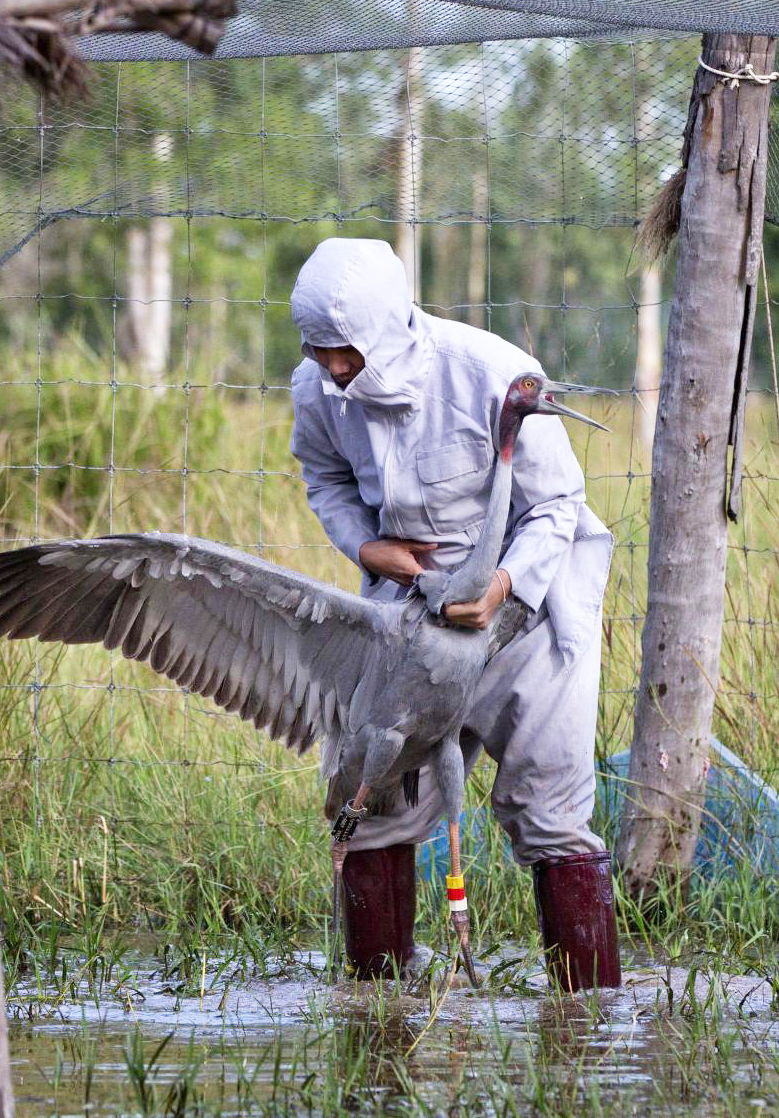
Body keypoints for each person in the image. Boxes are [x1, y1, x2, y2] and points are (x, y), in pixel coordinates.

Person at [287, 237, 620, 990]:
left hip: (525, 616)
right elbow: (325, 478)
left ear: (384, 329)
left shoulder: (489, 373)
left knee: (548, 806)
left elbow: (557, 504)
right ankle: (379, 1008)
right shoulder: (315, 389)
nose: (333, 367)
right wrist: (367, 549)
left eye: (345, 351)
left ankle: (587, 1018)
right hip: (406, 629)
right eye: (317, 350)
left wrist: (501, 587)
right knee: (371, 801)